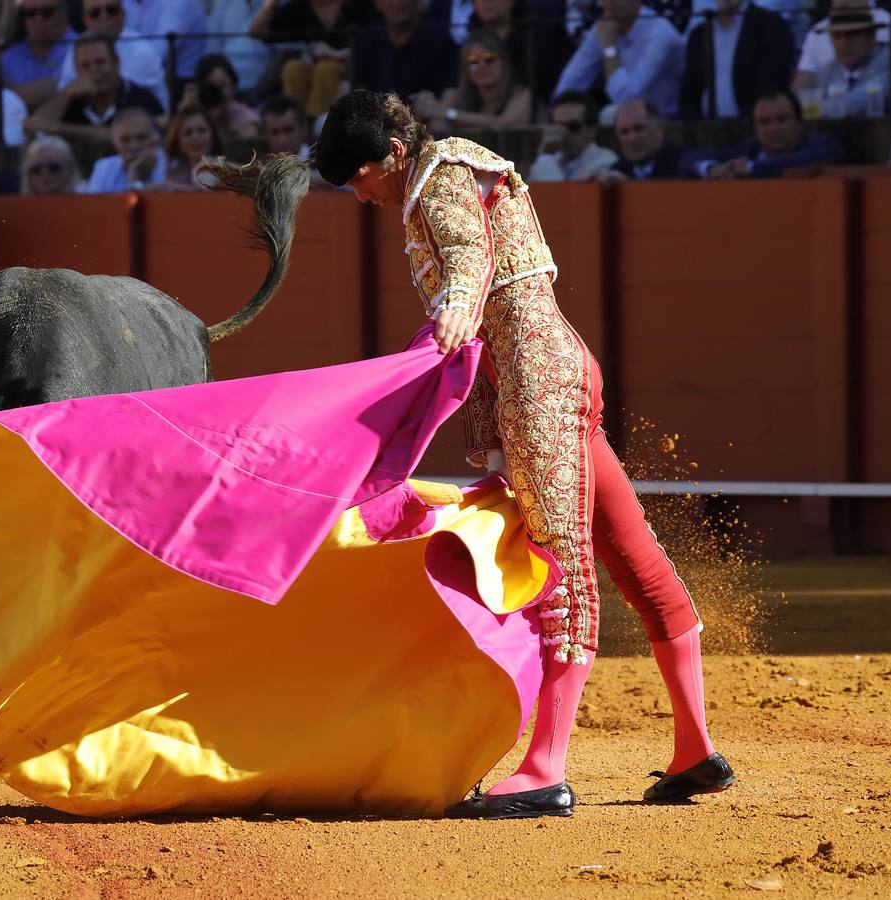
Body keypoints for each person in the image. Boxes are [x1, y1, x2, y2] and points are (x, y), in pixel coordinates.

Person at [314, 89, 734, 819]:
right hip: (552, 370)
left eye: (359, 179)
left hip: (538, 386)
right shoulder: (445, 171)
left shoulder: (437, 174)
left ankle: (545, 767)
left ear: (390, 155)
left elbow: (471, 259)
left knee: (559, 565)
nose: (361, 196)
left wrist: (454, 309)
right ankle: (693, 748)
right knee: (634, 559)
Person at [23, 30, 161, 148]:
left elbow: (119, 136)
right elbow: (36, 126)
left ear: (116, 63)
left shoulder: (142, 99)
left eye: (100, 62)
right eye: (86, 66)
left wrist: (60, 129)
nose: (94, 70)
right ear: (77, 70)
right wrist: (65, 94)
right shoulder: (72, 100)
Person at [551, 0, 683, 118]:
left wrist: (609, 47)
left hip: (664, 120)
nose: (612, 2)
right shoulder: (604, 27)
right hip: (625, 118)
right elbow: (572, 79)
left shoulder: (661, 35)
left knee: (607, 115)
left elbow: (626, 99)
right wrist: (556, 110)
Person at [250, 0, 379, 120]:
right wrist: (270, 5)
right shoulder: (299, 8)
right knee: (293, 68)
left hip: (351, 72)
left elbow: (375, 41)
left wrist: (334, 54)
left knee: (325, 69)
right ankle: (296, 124)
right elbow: (257, 32)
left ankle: (320, 129)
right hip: (312, 73)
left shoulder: (359, 5)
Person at [678, 89, 843, 178]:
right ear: (755, 129)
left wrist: (752, 168)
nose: (773, 128)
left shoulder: (822, 145)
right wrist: (711, 169)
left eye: (782, 119)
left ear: (798, 122)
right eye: (765, 122)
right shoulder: (748, 151)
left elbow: (808, 160)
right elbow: (687, 160)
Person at [678, 0, 795, 120]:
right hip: (704, 129)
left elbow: (772, 85)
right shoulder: (699, 34)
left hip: (752, 127)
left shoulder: (771, 26)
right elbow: (690, 93)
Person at [411, 28, 532, 134]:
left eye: (489, 59)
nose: (482, 67)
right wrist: (424, 108)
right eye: (474, 62)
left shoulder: (523, 95)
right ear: (465, 68)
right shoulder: (457, 95)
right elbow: (438, 121)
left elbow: (503, 124)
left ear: (504, 61)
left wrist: (448, 114)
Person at [55, 0, 166, 108]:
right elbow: (65, 91)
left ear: (123, 15)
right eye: (95, 13)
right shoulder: (80, 47)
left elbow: (106, 93)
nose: (104, 16)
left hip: (144, 119)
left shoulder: (141, 52)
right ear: (85, 19)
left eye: (111, 10)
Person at [464, 0, 572, 108]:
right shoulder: (467, 42)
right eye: (474, 61)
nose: (487, 1)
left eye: (489, 60)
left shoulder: (539, 39)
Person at [351, 0, 458, 100]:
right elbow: (356, 89)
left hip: (425, 117)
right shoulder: (365, 39)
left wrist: (435, 109)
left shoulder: (440, 40)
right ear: (377, 3)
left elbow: (450, 91)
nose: (397, 2)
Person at [810, 5, 891, 118]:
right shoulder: (826, 72)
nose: (844, 43)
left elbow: (854, 104)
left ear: (872, 36)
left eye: (852, 34)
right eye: (837, 35)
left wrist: (812, 110)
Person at [0, 0, 77, 112]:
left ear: (64, 14)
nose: (38, 19)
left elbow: (63, 89)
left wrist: (9, 93)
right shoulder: (11, 55)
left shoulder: (81, 48)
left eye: (46, 12)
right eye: (31, 13)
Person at [527, 90, 617, 181]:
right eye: (557, 126)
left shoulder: (606, 161)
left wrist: (545, 160)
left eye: (573, 126)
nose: (563, 133)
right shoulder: (550, 159)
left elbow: (561, 192)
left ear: (592, 130)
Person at [83, 103, 164, 192]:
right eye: (125, 140)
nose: (134, 146)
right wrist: (134, 175)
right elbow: (95, 205)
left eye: (141, 138)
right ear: (115, 143)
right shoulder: (104, 168)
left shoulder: (170, 165)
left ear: (156, 138)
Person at [183, 53, 259, 145]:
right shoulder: (190, 111)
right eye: (211, 85)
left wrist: (216, 122)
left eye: (222, 85)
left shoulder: (246, 118)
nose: (216, 91)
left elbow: (245, 155)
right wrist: (186, 113)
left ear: (233, 86)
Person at [601, 98, 681, 180]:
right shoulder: (616, 171)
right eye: (624, 132)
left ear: (660, 129)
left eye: (639, 128)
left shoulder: (684, 167)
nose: (632, 138)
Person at [157, 101, 219, 190]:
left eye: (201, 130)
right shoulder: (170, 176)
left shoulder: (226, 172)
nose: (195, 137)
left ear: (213, 136)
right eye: (188, 132)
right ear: (177, 141)